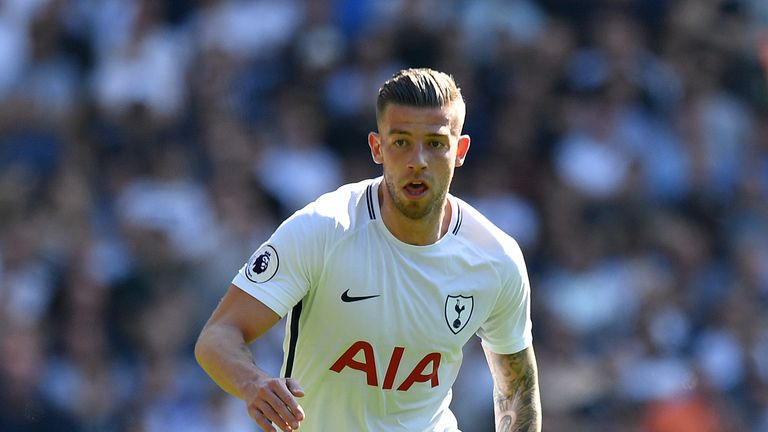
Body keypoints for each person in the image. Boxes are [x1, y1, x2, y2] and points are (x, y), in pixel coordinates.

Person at [195, 68, 541, 431]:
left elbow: (517, 387)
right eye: (401, 142)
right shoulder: (323, 229)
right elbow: (217, 336)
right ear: (377, 147)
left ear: (460, 151)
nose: (418, 161)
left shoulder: (496, 258)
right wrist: (253, 384)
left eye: (436, 143)